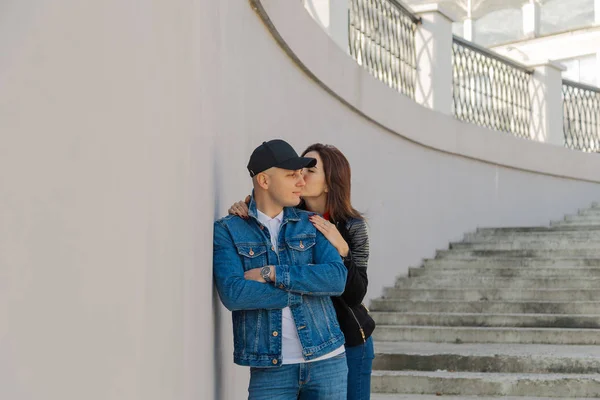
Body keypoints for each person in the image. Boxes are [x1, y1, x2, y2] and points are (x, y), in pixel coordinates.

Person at [229, 143, 375, 400]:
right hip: (298, 344)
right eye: (297, 169)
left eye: (310, 170)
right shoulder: (291, 217)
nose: (300, 175)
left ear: (329, 183)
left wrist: (342, 249)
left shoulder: (352, 226)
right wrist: (245, 208)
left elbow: (355, 293)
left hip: (349, 340)